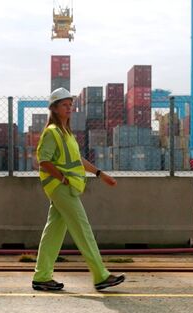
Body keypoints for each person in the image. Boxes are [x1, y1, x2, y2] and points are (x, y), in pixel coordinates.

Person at [32, 88, 126, 291]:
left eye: (70, 104)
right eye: (64, 105)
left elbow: (78, 160)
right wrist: (63, 178)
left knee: (53, 232)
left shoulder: (66, 134)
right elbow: (43, 161)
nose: (69, 108)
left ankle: (41, 276)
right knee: (83, 230)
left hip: (66, 188)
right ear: (54, 108)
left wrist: (100, 174)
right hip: (61, 188)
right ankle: (101, 275)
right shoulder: (51, 133)